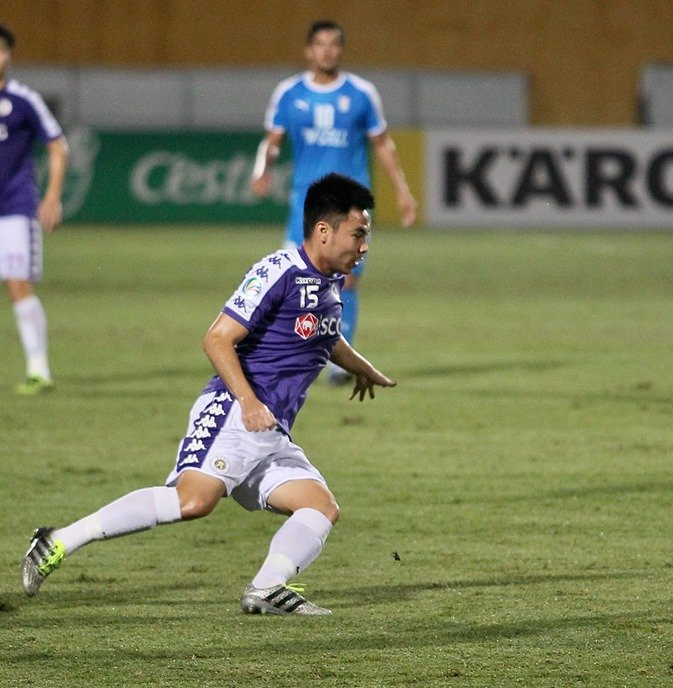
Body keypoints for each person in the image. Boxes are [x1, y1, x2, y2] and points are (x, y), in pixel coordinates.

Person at [21, 173, 396, 615]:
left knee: (319, 506)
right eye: (358, 234)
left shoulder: (330, 280)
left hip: (271, 430)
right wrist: (248, 402)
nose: (364, 247)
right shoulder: (278, 271)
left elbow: (324, 336)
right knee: (193, 501)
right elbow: (217, 338)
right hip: (234, 412)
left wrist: (363, 368)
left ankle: (267, 587)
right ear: (324, 231)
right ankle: (58, 540)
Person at [251, 19, 417, 385]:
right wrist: (263, 169)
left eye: (333, 44)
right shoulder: (289, 93)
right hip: (307, 204)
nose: (327, 50)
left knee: (347, 279)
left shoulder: (361, 94)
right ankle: (290, 352)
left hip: (351, 203)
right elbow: (272, 141)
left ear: (341, 50)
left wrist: (402, 190)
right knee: (297, 280)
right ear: (309, 51)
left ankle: (340, 363)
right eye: (320, 44)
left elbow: (382, 144)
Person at [0, 24, 68, 394]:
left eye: (1, 50)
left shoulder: (23, 99)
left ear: (9, 56)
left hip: (14, 207)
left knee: (18, 283)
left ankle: (38, 369)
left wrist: (52, 197)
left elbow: (57, 145)